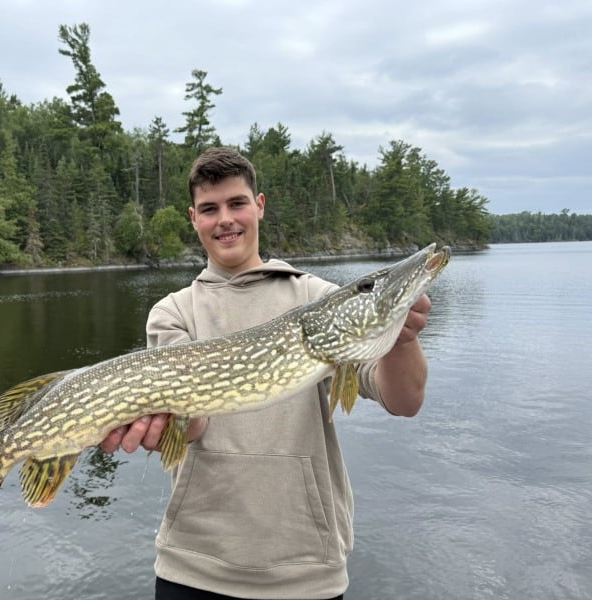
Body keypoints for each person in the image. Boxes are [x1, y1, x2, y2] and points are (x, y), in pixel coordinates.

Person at [101, 147, 433, 600]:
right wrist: (161, 425)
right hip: (194, 569)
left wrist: (404, 338)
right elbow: (192, 425)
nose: (225, 220)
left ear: (259, 206)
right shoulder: (173, 312)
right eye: (209, 209)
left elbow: (405, 401)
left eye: (237, 203)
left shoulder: (318, 300)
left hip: (306, 574)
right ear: (193, 219)